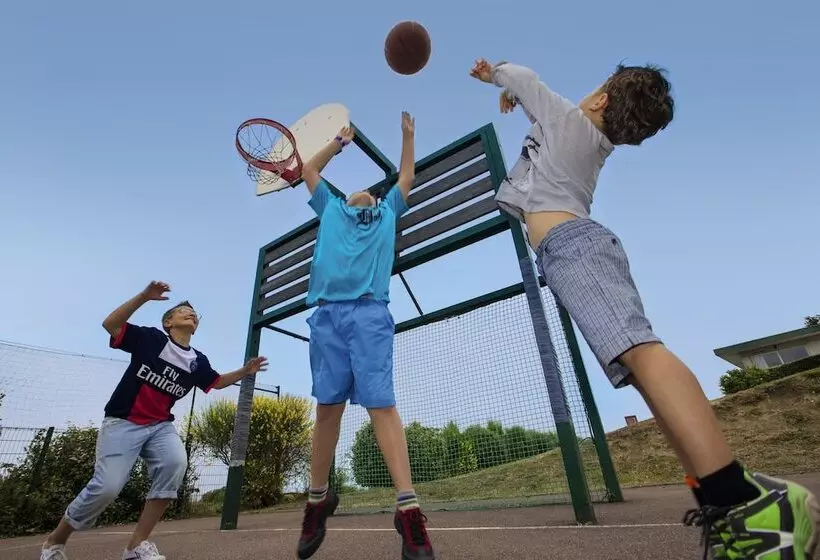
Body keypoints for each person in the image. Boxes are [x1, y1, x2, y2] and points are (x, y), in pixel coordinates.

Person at [469, 58, 819, 559]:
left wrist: (496, 73)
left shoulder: (567, 120)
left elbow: (528, 81)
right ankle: (729, 507)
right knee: (639, 366)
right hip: (574, 248)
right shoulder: (588, 140)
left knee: (642, 352)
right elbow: (535, 109)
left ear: (602, 99)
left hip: (572, 246)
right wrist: (517, 98)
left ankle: (749, 504)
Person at [40, 281, 268, 560]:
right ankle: (55, 542)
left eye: (194, 314)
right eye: (183, 311)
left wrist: (246, 370)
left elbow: (217, 382)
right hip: (123, 421)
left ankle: (136, 547)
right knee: (107, 487)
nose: (191, 314)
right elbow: (110, 324)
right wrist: (144, 297)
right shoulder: (151, 339)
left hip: (160, 426)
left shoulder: (198, 361)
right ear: (168, 322)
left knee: (175, 464)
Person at [294, 112, 435, 560]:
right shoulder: (331, 209)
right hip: (327, 318)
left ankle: (408, 510)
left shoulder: (386, 213)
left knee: (382, 404)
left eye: (373, 191)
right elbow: (308, 172)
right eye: (361, 191)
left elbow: (407, 176)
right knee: (327, 409)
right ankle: (317, 500)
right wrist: (338, 143)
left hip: (370, 314)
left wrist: (408, 137)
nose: (366, 192)